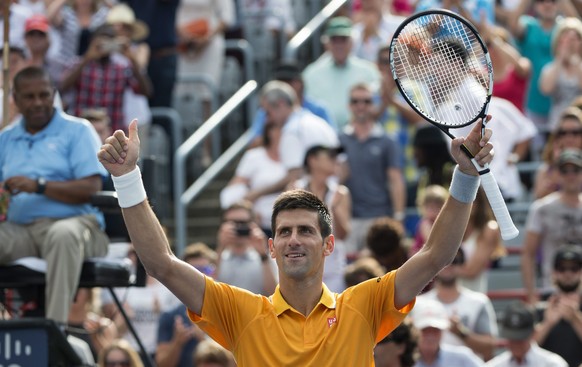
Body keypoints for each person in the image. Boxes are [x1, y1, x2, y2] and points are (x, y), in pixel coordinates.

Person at [97, 113, 494, 365]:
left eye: (306, 230)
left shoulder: (363, 305)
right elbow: (160, 263)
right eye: (283, 232)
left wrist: (465, 176)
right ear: (270, 247)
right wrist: (127, 179)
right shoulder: (242, 313)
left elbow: (435, 255)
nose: (293, 239)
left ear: (329, 245)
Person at [0, 66, 109, 324]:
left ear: (54, 95)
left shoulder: (78, 130)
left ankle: (53, 335)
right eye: (29, 96)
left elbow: (91, 189)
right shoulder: (5, 138)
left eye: (43, 95)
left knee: (63, 235)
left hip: (79, 227)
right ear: (14, 99)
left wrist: (38, 186)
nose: (38, 102)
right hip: (21, 231)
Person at [242, 81, 339, 204]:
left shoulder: (292, 131)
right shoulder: (317, 122)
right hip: (330, 199)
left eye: (268, 112)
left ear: (281, 104)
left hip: (314, 203)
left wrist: (255, 194)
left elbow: (294, 176)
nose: (267, 119)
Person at [339, 82, 406, 254]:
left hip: (378, 217)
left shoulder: (386, 140)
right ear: (349, 105)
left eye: (366, 101)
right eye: (355, 101)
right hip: (348, 219)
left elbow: (395, 179)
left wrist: (398, 217)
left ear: (374, 104)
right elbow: (335, 179)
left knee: (376, 274)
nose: (361, 106)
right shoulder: (339, 139)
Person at [61, 23, 152, 133]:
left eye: (109, 41)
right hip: (83, 131)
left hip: (113, 132)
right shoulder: (78, 64)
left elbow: (146, 91)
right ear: (92, 42)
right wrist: (87, 58)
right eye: (101, 41)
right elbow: (62, 88)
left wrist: (131, 58)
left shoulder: (122, 67)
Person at [521, 148, 582, 304]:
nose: (571, 175)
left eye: (575, 170)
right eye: (565, 170)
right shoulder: (541, 208)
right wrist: (531, 295)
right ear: (557, 174)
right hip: (552, 290)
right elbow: (528, 254)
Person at [418, 249, 499, 361]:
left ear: (462, 265)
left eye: (455, 261)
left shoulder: (479, 302)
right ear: (435, 265)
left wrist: (461, 333)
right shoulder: (418, 303)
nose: (448, 265)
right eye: (443, 261)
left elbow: (489, 347)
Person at [303, 16, 381, 130]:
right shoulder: (311, 73)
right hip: (324, 138)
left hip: (360, 137)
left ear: (352, 42)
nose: (339, 45)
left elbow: (377, 106)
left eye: (343, 39)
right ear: (327, 43)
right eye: (334, 39)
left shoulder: (369, 71)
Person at [292, 144, 351, 292]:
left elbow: (343, 235)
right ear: (313, 160)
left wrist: (335, 208)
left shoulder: (341, 193)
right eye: (329, 156)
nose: (335, 160)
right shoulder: (294, 189)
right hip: (301, 266)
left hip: (333, 270)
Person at [220, 121, 286, 236]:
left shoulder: (296, 159)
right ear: (270, 132)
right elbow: (235, 186)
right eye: (280, 128)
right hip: (259, 226)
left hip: (286, 224)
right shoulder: (254, 156)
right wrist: (249, 212)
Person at [156, 242, 216, 367]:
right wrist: (177, 342)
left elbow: (237, 361)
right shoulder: (170, 316)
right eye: (194, 271)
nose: (201, 277)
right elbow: (162, 364)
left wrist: (204, 340)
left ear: (214, 273)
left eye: (206, 270)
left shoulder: (227, 312)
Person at [214, 201, 277, 295]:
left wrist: (263, 255)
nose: (238, 227)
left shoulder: (266, 258)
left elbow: (274, 294)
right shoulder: (217, 258)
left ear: (252, 224)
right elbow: (209, 290)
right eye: (232, 223)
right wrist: (220, 246)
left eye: (243, 223)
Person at [534, 245, 582, 367]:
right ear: (554, 272)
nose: (568, 273)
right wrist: (547, 323)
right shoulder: (541, 306)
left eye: (574, 268)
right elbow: (525, 348)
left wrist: (575, 318)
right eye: (562, 268)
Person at [485, 301, 568, 366]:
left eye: (521, 338)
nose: (516, 344)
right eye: (512, 339)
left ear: (533, 333)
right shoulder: (494, 365)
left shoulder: (552, 364)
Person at [411, 298, 485, 367]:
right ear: (415, 331)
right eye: (425, 330)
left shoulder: (462, 357)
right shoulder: (403, 359)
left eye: (436, 330)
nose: (430, 335)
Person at [539, 17, 582, 131]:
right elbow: (546, 89)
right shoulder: (550, 68)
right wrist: (560, 58)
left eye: (575, 38)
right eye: (566, 37)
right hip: (557, 126)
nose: (570, 42)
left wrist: (576, 60)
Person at [534, 107, 582, 199]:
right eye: (563, 133)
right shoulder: (546, 170)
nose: (569, 137)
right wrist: (557, 166)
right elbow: (540, 199)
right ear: (557, 136)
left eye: (575, 132)